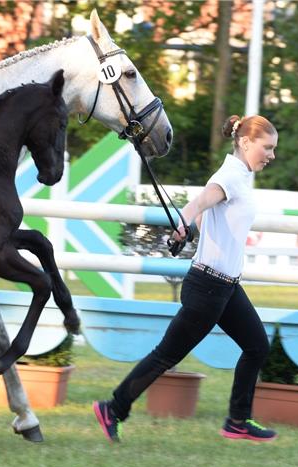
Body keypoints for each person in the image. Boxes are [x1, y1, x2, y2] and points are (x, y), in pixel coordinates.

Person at [93, 114, 279, 443]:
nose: (271, 155)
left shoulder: (241, 175)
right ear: (247, 143)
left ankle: (237, 421)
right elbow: (203, 199)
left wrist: (188, 227)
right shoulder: (231, 175)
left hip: (225, 286)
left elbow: (212, 214)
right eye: (268, 147)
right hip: (209, 287)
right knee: (166, 355)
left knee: (256, 346)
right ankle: (114, 408)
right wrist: (187, 218)